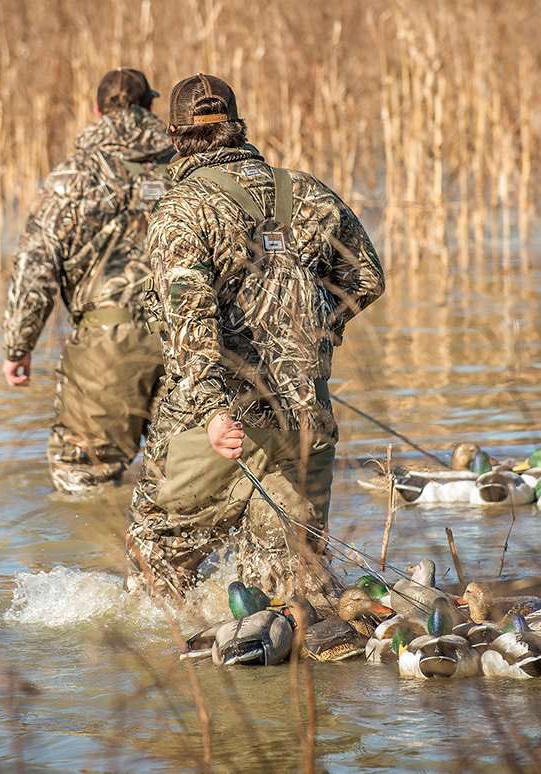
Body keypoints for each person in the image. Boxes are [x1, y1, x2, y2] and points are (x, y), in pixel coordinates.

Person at [126, 73, 385, 600]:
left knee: (157, 572)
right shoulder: (308, 194)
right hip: (302, 420)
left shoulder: (182, 210)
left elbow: (190, 319)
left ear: (175, 138)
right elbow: (367, 278)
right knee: (293, 596)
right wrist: (315, 329)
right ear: (238, 127)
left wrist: (217, 410)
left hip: (211, 427)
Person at [1, 68, 174, 495]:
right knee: (187, 489)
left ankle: (97, 562)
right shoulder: (186, 166)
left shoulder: (73, 176)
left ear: (97, 112)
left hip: (105, 347)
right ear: (151, 106)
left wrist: (18, 347)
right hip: (189, 339)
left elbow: (35, 265)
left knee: (85, 487)